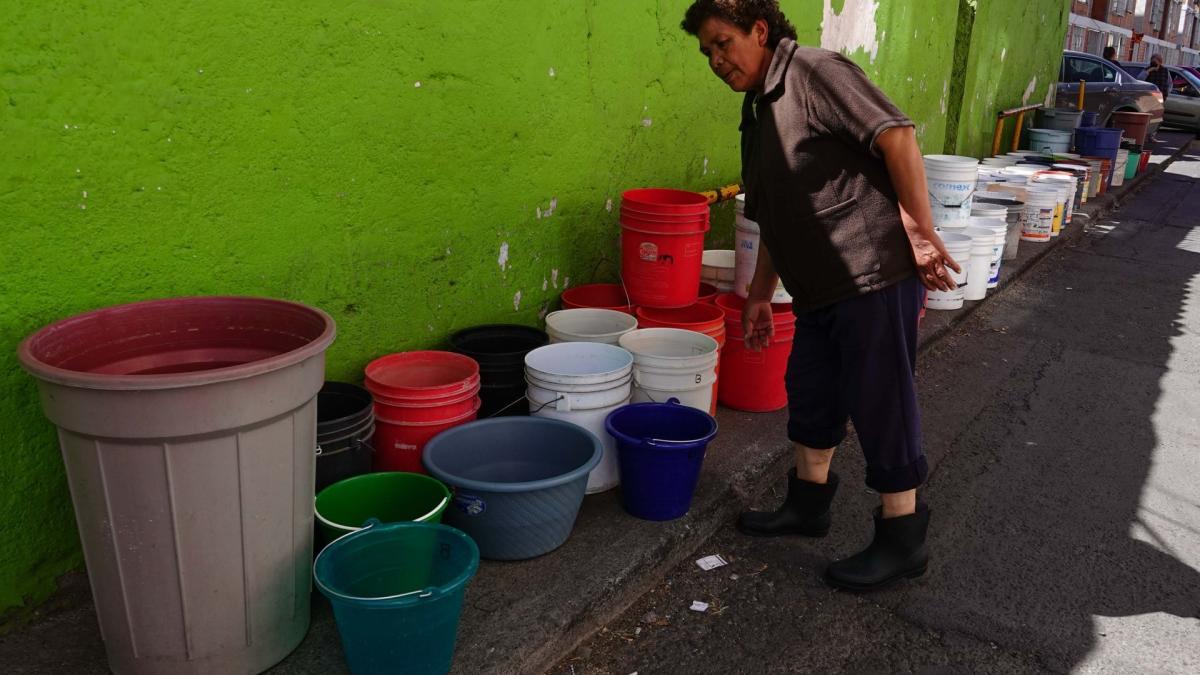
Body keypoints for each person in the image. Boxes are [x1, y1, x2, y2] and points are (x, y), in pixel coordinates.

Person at [681, 0, 960, 592]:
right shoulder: (757, 110)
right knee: (811, 393)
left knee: (882, 403)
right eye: (706, 50)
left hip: (870, 273)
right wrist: (760, 295)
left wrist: (919, 232)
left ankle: (902, 538)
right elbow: (778, 214)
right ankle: (808, 506)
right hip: (816, 289)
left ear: (759, 30)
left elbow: (899, 137)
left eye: (722, 42)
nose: (715, 59)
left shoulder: (813, 72)